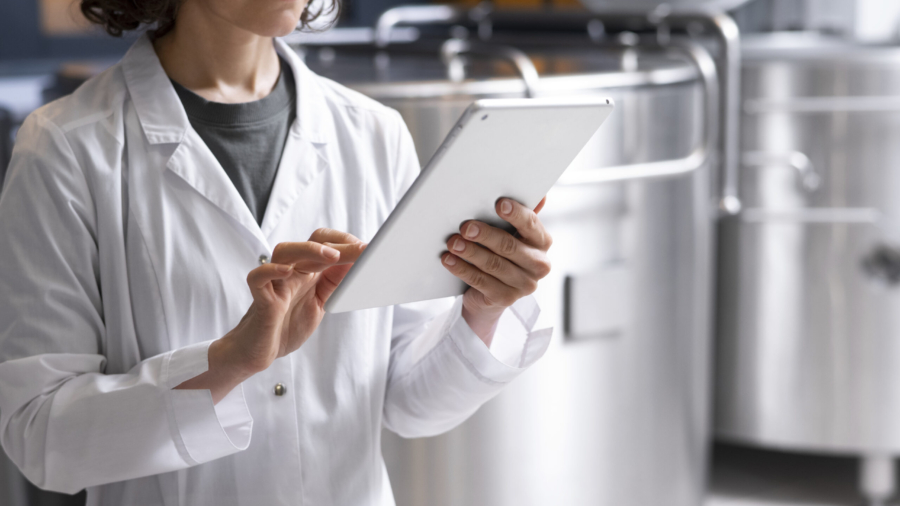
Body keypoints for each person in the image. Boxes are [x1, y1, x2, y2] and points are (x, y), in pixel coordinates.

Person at [0, 0, 553, 504]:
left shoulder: (374, 134)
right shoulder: (64, 148)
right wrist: (227, 364)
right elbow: (41, 435)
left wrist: (482, 309)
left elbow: (409, 402)